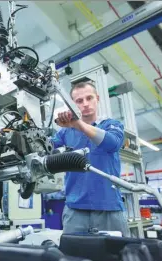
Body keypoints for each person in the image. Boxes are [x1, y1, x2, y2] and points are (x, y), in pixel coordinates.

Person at [52, 81, 130, 237]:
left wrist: (77, 124)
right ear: (72, 104)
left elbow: (112, 143)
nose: (85, 104)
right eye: (79, 101)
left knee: (120, 255)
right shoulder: (64, 133)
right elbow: (45, 151)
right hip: (75, 210)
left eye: (89, 98)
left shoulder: (111, 125)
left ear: (97, 98)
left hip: (109, 208)